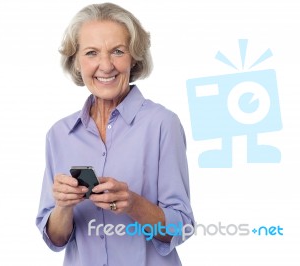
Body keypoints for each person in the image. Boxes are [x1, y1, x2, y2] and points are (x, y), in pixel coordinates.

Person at [36, 3, 195, 265]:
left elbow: (182, 227)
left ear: (134, 57)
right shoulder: (59, 134)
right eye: (91, 53)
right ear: (76, 61)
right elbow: (55, 239)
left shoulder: (162, 124)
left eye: (117, 51)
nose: (105, 66)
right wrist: (63, 206)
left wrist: (132, 204)